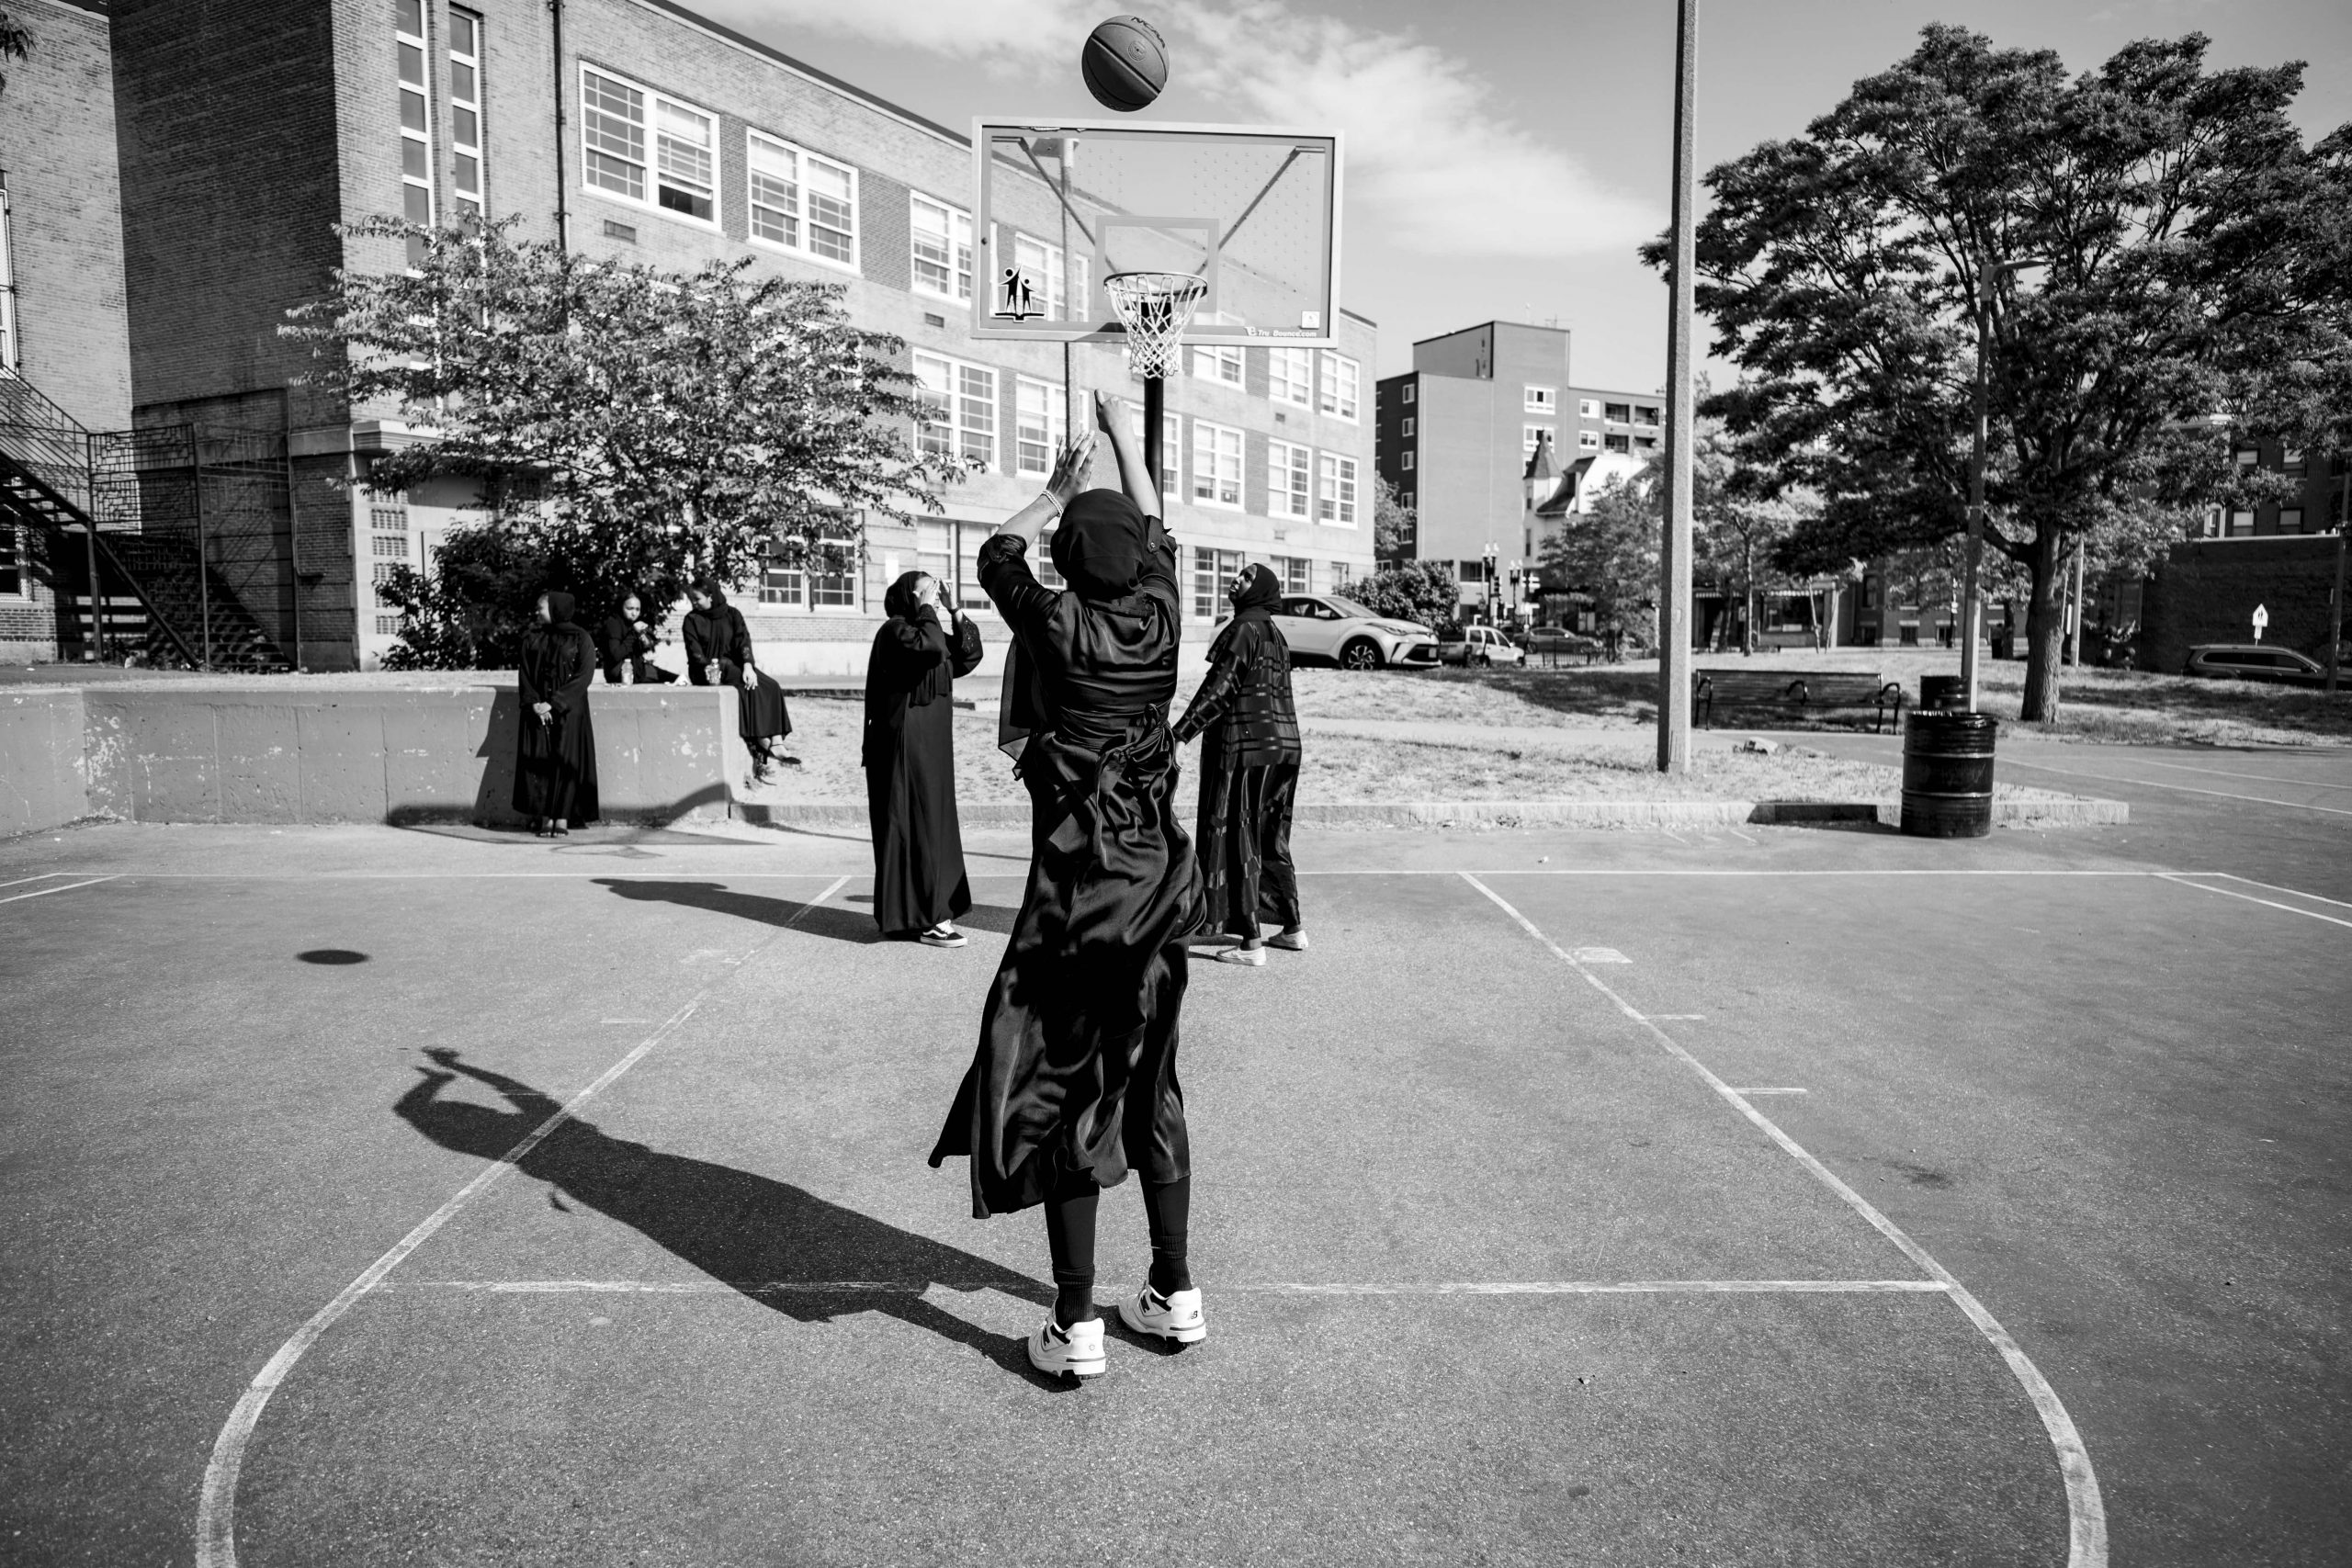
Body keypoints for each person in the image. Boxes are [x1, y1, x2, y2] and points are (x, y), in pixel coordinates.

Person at [928, 391, 1205, 1382]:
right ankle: (1175, 1295)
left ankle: (1077, 1322)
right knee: (1154, 1089)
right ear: (1138, 555)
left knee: (1067, 1098)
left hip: (1075, 901)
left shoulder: (1054, 623)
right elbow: (1153, 516)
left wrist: (1050, 489)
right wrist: (1126, 440)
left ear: (1068, 560)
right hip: (1160, 889)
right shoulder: (1167, 615)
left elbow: (992, 553)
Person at [1174, 561, 1304, 964]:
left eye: (1246, 577)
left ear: (1258, 588)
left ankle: (1250, 943)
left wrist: (1181, 733)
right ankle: (1293, 928)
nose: (1237, 580)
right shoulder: (1274, 634)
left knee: (1238, 837)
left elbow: (1220, 689)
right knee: (1270, 838)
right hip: (1284, 748)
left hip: (1246, 748)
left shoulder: (1244, 629)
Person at [863, 570, 984, 946]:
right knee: (916, 822)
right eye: (925, 589)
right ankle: (930, 919)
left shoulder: (924, 631)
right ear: (907, 596)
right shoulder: (896, 632)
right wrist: (926, 607)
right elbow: (931, 648)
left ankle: (915, 915)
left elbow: (968, 655)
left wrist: (954, 609)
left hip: (931, 747)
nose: (932, 594)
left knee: (933, 822)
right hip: (905, 744)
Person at [682, 579, 798, 781]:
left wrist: (747, 665)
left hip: (734, 664)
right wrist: (711, 666)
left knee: (770, 685)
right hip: (705, 670)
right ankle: (762, 740)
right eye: (693, 599)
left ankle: (776, 740)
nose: (694, 602)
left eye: (697, 598)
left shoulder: (732, 614)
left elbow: (743, 641)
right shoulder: (691, 620)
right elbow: (694, 653)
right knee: (748, 685)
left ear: (711, 596)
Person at [514, 591, 600, 837]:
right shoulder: (533, 638)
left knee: (566, 762)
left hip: (569, 711)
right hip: (539, 711)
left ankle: (562, 816)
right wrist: (535, 704)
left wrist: (554, 703)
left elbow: (584, 675)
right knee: (541, 763)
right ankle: (544, 816)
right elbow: (526, 676)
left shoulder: (581, 638)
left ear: (556, 609)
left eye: (542, 608)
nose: (537, 612)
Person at [598, 593, 676, 685]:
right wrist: (634, 633)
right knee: (673, 679)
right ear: (621, 607)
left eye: (637, 609)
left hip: (637, 669)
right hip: (621, 673)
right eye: (629, 608)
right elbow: (616, 654)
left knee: (676, 678)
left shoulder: (632, 623)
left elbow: (639, 649)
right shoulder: (613, 624)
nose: (634, 613)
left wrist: (644, 641)